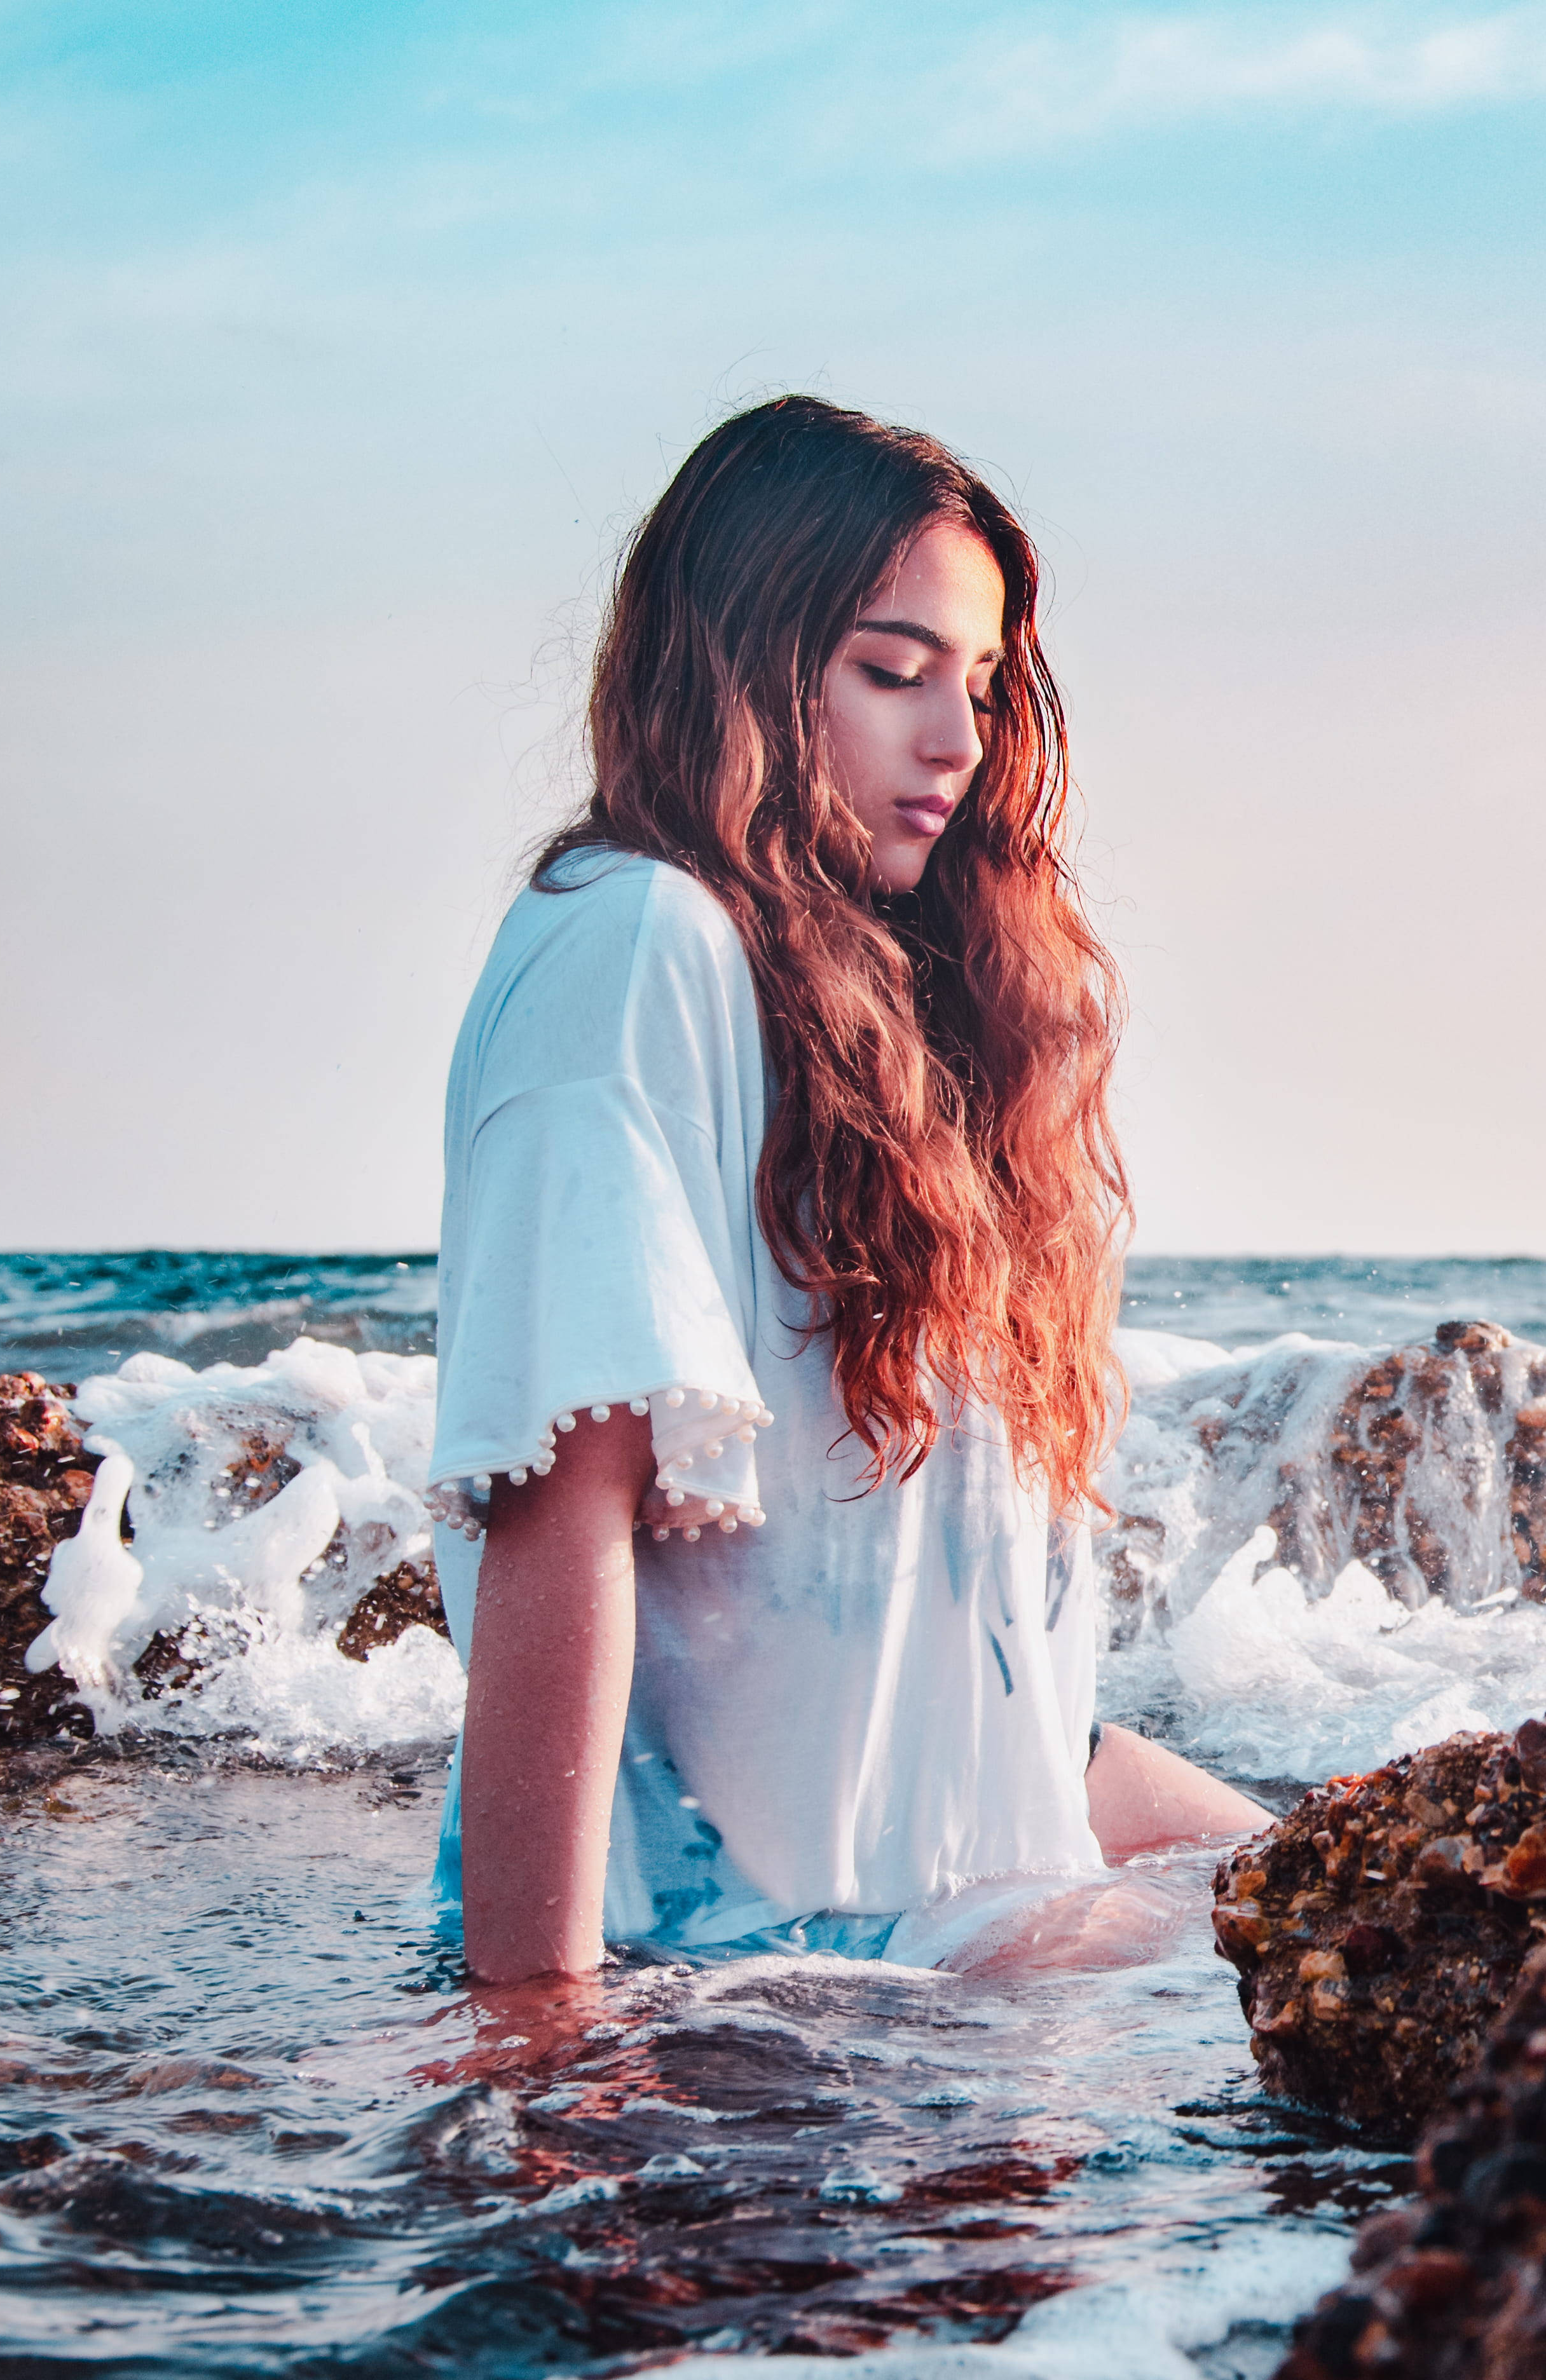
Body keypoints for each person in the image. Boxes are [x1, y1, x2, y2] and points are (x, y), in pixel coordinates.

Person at [425, 396, 1263, 1986]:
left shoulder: (911, 1026)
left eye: (984, 683)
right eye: (892, 671)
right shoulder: (632, 941)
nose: (957, 738)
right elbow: (563, 1506)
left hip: (966, 1993)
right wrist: (532, 2032)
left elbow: (986, 1708)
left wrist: (1335, 1859)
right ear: (735, 662)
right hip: (762, 2013)